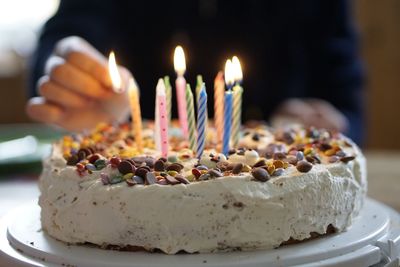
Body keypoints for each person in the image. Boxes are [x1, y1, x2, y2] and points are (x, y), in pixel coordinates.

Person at [26, 0, 364, 144]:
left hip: (275, 154)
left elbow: (347, 99)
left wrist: (324, 118)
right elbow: (65, 37)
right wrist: (72, 78)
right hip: (130, 142)